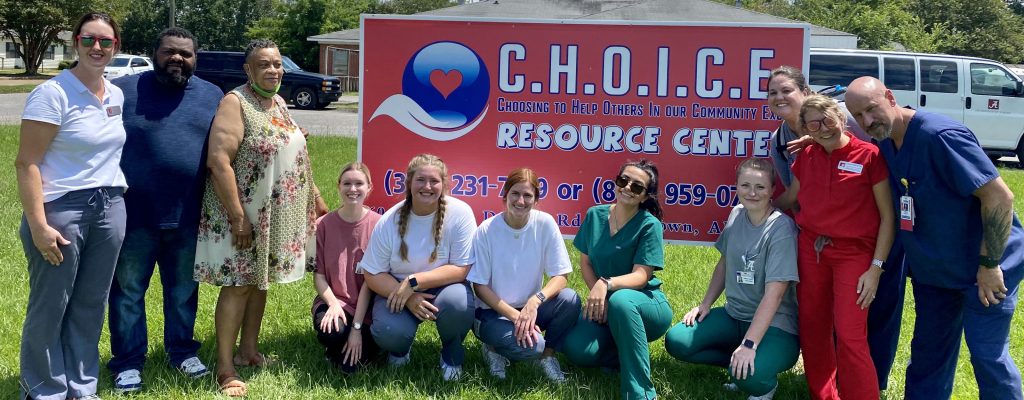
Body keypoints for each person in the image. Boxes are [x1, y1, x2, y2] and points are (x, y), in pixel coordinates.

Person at [845, 77, 1023, 400]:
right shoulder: (886, 143)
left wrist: (989, 263)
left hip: (985, 263)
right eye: (859, 116)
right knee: (928, 354)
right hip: (936, 268)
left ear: (890, 96)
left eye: (872, 109)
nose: (867, 121)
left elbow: (999, 197)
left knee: (987, 355)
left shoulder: (940, 136)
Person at [767, 66, 906, 390]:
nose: (821, 129)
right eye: (812, 124)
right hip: (811, 249)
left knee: (849, 333)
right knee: (813, 329)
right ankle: (824, 395)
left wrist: (875, 268)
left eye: (826, 121)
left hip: (854, 254)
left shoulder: (869, 155)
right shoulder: (807, 155)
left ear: (841, 119)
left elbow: (888, 217)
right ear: (805, 129)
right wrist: (758, 208)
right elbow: (792, 197)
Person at [192, 39, 318, 397]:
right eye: (263, 64)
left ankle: (249, 351)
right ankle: (225, 367)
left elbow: (293, 147)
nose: (273, 70)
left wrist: (317, 196)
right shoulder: (236, 102)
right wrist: (238, 218)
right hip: (243, 215)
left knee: (258, 282)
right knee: (239, 285)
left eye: (277, 63)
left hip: (272, 215)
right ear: (247, 70)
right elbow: (218, 162)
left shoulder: (276, 101)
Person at [15, 12, 127, 400]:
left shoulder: (115, 93)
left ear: (116, 46)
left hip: (110, 205)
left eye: (106, 41)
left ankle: (82, 387)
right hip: (62, 210)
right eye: (88, 40)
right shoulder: (53, 93)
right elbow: (26, 163)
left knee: (90, 303)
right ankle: (44, 389)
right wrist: (39, 225)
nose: (97, 48)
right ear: (75, 43)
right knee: (51, 304)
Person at [105, 27, 222, 393]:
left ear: (195, 59)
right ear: (154, 53)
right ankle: (127, 362)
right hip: (134, 215)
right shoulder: (123, 92)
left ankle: (182, 351)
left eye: (186, 54)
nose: (178, 58)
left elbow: (236, 141)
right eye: (170, 51)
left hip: (188, 217)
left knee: (183, 292)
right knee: (127, 293)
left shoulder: (212, 95)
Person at [664, 158, 799, 400]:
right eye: (745, 185)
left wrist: (749, 345)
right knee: (677, 341)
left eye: (760, 187)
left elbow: (775, 294)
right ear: (736, 187)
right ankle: (736, 363)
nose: (752, 193)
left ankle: (761, 383)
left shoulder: (781, 229)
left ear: (772, 190)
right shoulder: (736, 213)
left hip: (776, 327)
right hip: (734, 315)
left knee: (750, 377)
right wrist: (704, 304)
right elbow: (724, 263)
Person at [359, 154, 476, 381]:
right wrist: (409, 297)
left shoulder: (460, 213)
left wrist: (413, 282)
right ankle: (400, 350)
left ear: (444, 185)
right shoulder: (390, 220)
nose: (427, 187)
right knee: (389, 332)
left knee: (458, 305)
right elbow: (372, 273)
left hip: (443, 287)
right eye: (421, 180)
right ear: (409, 183)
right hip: (397, 289)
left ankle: (451, 355)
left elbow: (462, 268)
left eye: (434, 181)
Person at [562, 159, 673, 400]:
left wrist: (606, 284)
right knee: (577, 350)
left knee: (621, 301)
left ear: (644, 196)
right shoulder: (595, 215)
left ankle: (640, 392)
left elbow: (642, 276)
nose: (627, 188)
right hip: (607, 305)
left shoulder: (649, 225)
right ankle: (626, 351)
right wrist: (598, 298)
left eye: (637, 187)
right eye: (624, 181)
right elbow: (586, 262)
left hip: (644, 303)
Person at [468, 167, 581, 382]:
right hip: (491, 312)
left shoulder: (545, 223)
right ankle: (492, 349)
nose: (521, 201)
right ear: (505, 196)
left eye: (528, 195)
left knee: (570, 299)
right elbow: (479, 287)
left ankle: (547, 358)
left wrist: (535, 301)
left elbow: (561, 275)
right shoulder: (486, 230)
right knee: (533, 347)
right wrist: (516, 317)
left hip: (530, 309)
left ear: (536, 200)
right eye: (515, 194)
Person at [312, 162, 381, 373]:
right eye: (347, 183)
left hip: (367, 306)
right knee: (331, 332)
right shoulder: (322, 225)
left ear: (369, 187)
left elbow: (372, 282)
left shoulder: (379, 225)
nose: (353, 189)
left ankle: (355, 348)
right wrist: (333, 305)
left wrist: (357, 328)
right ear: (338, 186)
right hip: (334, 300)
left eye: (359, 183)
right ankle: (336, 345)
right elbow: (319, 277)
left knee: (350, 368)